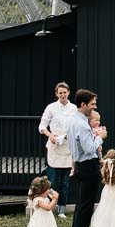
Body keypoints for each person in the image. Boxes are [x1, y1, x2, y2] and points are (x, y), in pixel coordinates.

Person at [66, 89, 103, 227]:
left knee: (81, 205)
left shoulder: (72, 120)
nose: (94, 107)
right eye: (92, 105)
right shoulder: (82, 124)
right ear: (83, 104)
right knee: (86, 207)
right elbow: (89, 148)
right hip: (88, 166)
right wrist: (100, 137)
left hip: (80, 166)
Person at [39, 82, 75, 214]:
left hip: (67, 146)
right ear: (56, 94)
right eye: (60, 93)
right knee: (53, 179)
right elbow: (42, 126)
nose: (63, 95)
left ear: (68, 92)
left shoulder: (74, 109)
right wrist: (51, 136)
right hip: (54, 146)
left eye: (65, 92)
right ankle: (50, 207)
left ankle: (62, 210)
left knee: (65, 181)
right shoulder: (51, 108)